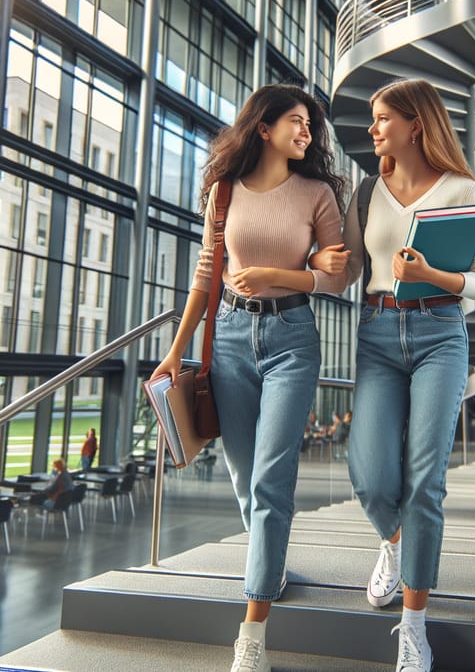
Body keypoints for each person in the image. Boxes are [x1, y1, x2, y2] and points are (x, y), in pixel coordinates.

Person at [151, 84, 347, 672]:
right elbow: (206, 277)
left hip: (292, 340)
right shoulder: (223, 192)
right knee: (243, 477)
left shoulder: (318, 193)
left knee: (270, 479)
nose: (308, 130)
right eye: (296, 120)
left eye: (311, 124)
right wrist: (175, 352)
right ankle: (272, 563)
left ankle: (253, 633)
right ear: (263, 128)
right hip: (230, 340)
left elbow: (337, 278)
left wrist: (277, 273)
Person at [316, 78, 475, 672]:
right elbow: (342, 271)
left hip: (441, 334)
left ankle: (414, 625)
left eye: (382, 118)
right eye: (373, 119)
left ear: (416, 124)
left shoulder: (460, 188)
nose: (372, 129)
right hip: (376, 332)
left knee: (425, 481)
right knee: (369, 475)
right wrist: (313, 262)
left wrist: (431, 276)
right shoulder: (367, 192)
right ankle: (393, 545)